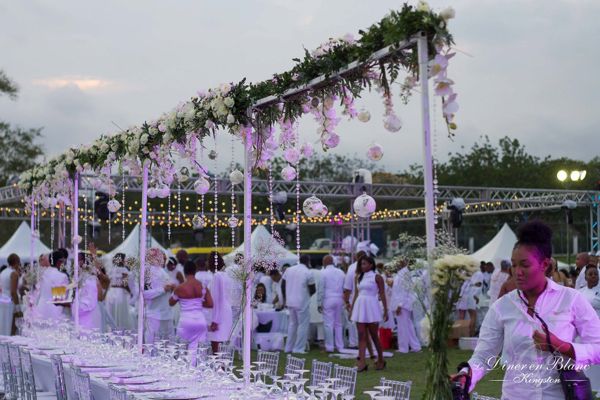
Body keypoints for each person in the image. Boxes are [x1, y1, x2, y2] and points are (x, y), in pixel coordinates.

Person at [453, 220, 600, 398]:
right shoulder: (502, 306)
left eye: (525, 265)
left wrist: (560, 346)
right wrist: (465, 375)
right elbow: (483, 356)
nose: (517, 272)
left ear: (544, 265)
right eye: (514, 265)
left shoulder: (571, 299)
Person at [350, 255, 388, 371]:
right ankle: (362, 362)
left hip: (371, 306)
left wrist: (386, 310)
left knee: (374, 335)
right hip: (360, 306)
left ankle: (380, 359)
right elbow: (356, 294)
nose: (362, 266)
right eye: (361, 264)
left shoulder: (377, 277)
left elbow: (382, 294)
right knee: (361, 335)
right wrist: (352, 308)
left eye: (365, 263)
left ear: (371, 265)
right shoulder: (358, 277)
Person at [169, 261, 213, 358]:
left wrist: (174, 292)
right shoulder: (202, 286)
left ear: (184, 272)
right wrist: (197, 303)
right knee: (199, 351)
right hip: (200, 320)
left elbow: (171, 303)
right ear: (195, 271)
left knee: (182, 350)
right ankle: (196, 371)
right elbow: (210, 304)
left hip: (185, 320)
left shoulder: (180, 288)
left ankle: (185, 371)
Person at [282, 254, 316, 354]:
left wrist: (285, 297)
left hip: (290, 302)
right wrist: (307, 295)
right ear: (308, 261)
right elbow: (313, 289)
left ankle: (288, 348)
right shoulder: (308, 272)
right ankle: (298, 348)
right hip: (302, 302)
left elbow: (283, 284)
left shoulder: (289, 270)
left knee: (292, 325)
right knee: (303, 325)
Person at [143, 248, 175, 343]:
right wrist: (163, 289)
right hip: (154, 315)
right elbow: (144, 294)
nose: (164, 259)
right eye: (162, 256)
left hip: (167, 314)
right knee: (152, 345)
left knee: (168, 346)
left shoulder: (163, 271)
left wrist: (172, 289)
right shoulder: (146, 272)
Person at [391, 259, 421, 353]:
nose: (396, 264)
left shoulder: (404, 275)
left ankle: (403, 348)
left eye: (398, 262)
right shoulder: (401, 274)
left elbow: (405, 291)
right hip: (403, 303)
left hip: (403, 304)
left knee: (403, 326)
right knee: (408, 326)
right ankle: (415, 346)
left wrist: (400, 305)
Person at [318, 255, 345, 353]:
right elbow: (344, 287)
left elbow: (321, 289)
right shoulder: (341, 272)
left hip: (328, 299)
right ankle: (340, 346)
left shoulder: (323, 273)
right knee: (338, 324)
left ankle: (329, 347)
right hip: (339, 299)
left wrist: (319, 303)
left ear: (324, 262)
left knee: (328, 324)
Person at [207, 252, 233, 354]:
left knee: (216, 346)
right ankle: (221, 367)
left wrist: (215, 320)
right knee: (220, 345)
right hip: (226, 310)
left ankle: (219, 368)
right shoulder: (226, 275)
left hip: (219, 311)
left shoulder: (217, 276)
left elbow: (217, 299)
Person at [33, 251, 69, 322]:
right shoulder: (62, 276)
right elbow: (59, 299)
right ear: (59, 262)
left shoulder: (42, 273)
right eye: (63, 261)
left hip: (40, 308)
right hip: (54, 311)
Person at [343, 251, 366, 348]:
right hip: (367, 299)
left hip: (355, 298)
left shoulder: (352, 268)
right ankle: (365, 343)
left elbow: (347, 287)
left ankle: (354, 343)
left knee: (353, 321)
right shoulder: (371, 267)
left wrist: (347, 301)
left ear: (356, 257)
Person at [105, 253, 132, 330]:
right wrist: (130, 292)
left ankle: (112, 330)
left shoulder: (111, 269)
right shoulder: (124, 270)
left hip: (111, 292)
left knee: (111, 313)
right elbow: (125, 283)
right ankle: (120, 330)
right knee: (121, 313)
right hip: (120, 292)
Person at [0, 254, 20, 335]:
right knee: (10, 324)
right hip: (9, 301)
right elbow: (13, 292)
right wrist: (18, 307)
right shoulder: (14, 274)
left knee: (2, 322)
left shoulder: (3, 272)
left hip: (2, 299)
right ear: (16, 262)